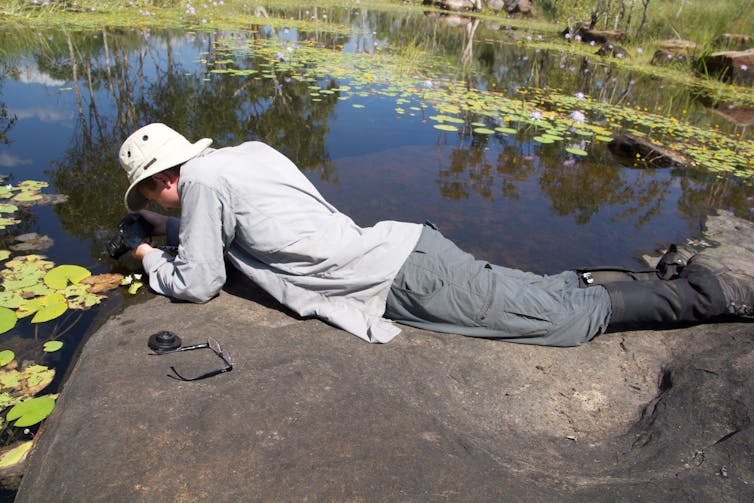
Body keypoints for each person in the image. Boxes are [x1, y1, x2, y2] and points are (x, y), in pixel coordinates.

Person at [119, 123, 753, 347]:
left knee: (559, 318)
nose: (159, 202)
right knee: (543, 286)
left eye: (150, 193)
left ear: (161, 183)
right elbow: (263, 222)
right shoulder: (242, 155)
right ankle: (662, 277)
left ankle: (708, 296)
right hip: (410, 251)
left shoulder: (201, 188)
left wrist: (149, 254)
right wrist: (172, 229)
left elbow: (199, 283)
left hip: (405, 277)